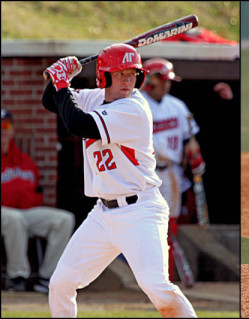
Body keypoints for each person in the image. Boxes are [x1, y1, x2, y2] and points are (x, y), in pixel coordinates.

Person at [41, 44, 197, 317]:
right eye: (120, 73)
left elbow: (78, 124)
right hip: (103, 214)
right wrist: (58, 77)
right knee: (61, 283)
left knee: (156, 286)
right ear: (104, 76)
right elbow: (51, 101)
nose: (127, 80)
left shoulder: (134, 109)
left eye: (132, 73)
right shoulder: (95, 97)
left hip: (140, 211)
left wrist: (63, 81)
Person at [139, 58, 205, 284]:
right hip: (144, 173)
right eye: (162, 80)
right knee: (147, 223)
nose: (166, 85)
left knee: (170, 224)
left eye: (168, 81)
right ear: (150, 80)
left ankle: (165, 277)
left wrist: (195, 157)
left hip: (171, 173)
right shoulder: (136, 104)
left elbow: (189, 139)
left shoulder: (177, 106)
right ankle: (153, 276)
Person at [1, 108, 75, 293]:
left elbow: (36, 191)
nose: (3, 129)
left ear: (12, 129)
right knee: (15, 220)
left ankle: (47, 277)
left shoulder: (25, 161)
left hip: (25, 212)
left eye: (6, 125)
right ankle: (17, 277)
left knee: (64, 220)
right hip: (5, 212)